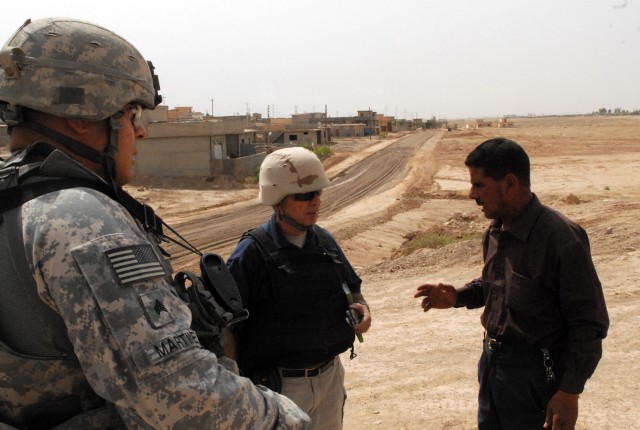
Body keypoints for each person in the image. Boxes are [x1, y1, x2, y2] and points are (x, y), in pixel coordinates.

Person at [0, 17, 309, 429]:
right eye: (132, 114)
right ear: (81, 112)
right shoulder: (81, 219)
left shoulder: (16, 203)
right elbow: (178, 394)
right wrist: (284, 418)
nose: (140, 132)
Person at [414, 138, 609, 430]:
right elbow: (497, 286)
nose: (471, 194)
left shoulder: (561, 238)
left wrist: (569, 392)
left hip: (535, 378)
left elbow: (588, 323)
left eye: (479, 185)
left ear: (509, 183)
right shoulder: (495, 232)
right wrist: (459, 297)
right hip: (493, 367)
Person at [226, 146, 372, 429]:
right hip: (280, 387)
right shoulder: (251, 253)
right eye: (304, 195)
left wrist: (363, 312)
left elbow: (353, 289)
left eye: (317, 193)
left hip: (330, 377)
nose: (315, 201)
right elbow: (227, 323)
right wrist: (236, 385)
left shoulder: (325, 241)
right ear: (277, 201)